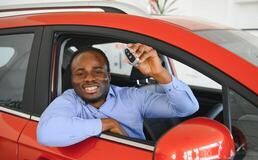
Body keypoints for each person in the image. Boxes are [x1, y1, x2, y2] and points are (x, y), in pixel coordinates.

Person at [37, 43, 199, 147]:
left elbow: (187, 108)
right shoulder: (69, 100)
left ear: (109, 76)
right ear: (72, 80)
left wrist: (159, 73)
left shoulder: (132, 97)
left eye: (98, 71)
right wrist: (107, 124)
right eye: (80, 73)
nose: (89, 79)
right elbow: (46, 134)